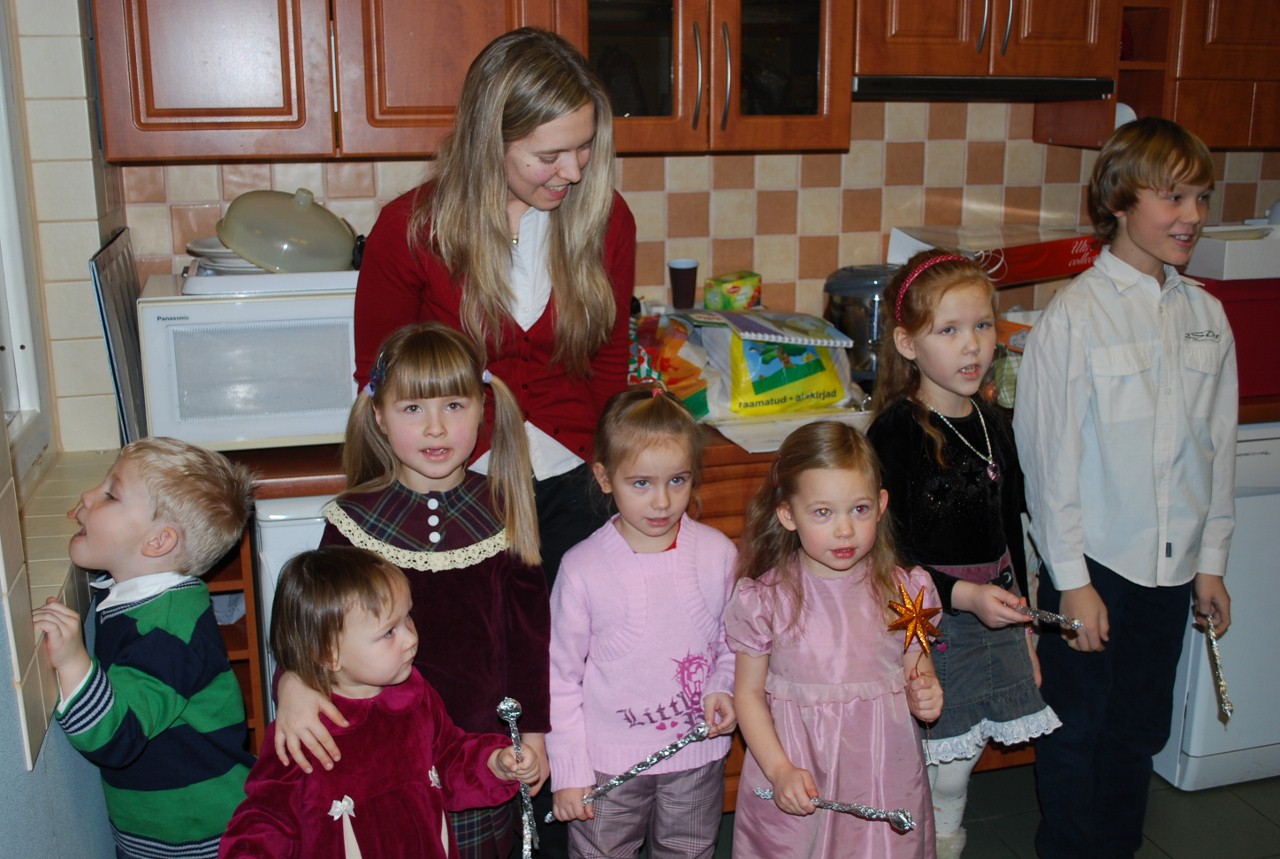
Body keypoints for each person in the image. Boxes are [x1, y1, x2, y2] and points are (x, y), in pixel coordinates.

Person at [1013, 116, 1237, 859]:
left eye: (1201, 197)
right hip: (1094, 567)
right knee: (1075, 729)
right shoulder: (1076, 317)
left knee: (1139, 730)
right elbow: (1049, 465)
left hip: (1170, 572)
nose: (1193, 215)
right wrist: (1072, 582)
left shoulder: (1208, 317)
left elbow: (1217, 453)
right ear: (1118, 200)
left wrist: (1211, 563)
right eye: (1173, 197)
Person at [354, 26, 637, 587]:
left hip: (577, 485)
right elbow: (377, 377)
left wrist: (615, 465)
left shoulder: (606, 220)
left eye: (584, 146)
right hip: (457, 488)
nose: (574, 171)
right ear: (490, 141)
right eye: (549, 155)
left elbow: (609, 360)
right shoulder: (411, 230)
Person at [273, 322, 550, 859]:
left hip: (481, 751)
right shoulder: (353, 521)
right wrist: (293, 683)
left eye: (454, 405)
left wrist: (533, 732)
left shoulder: (506, 509)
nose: (435, 428)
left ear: (483, 408)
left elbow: (529, 637)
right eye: (413, 408)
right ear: (379, 414)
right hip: (381, 758)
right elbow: (311, 623)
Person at [867, 250, 1061, 859]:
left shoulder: (993, 422)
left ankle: (942, 842)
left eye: (982, 325)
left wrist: (1027, 628)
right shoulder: (896, 433)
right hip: (925, 625)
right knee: (933, 763)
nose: (972, 345)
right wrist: (963, 596)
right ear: (908, 343)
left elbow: (1010, 531)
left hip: (996, 613)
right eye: (949, 330)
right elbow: (889, 557)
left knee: (961, 763)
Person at [221, 546, 540, 858]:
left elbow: (449, 757)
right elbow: (267, 818)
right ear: (329, 653)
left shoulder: (415, 695)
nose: (411, 638)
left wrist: (494, 763)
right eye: (389, 632)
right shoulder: (304, 730)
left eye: (408, 617)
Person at [726, 420, 943, 859]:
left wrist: (928, 693)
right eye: (823, 513)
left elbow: (918, 670)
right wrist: (779, 770)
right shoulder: (765, 600)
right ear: (788, 514)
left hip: (882, 770)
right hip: (799, 766)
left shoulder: (906, 591)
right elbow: (747, 694)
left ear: (881, 505)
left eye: (859, 509)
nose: (845, 530)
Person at [31, 437, 255, 859]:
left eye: (110, 494)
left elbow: (116, 738)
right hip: (162, 834)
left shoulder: (167, 632)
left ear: (157, 543)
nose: (87, 497)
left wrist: (74, 661)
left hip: (202, 841)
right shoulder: (143, 597)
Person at [547, 386, 738, 858]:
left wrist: (723, 686)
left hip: (697, 757)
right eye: (641, 483)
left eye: (678, 480)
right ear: (604, 477)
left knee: (690, 850)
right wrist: (569, 771)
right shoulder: (582, 568)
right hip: (607, 767)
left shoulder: (718, 553)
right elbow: (559, 677)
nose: (662, 502)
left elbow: (734, 642)